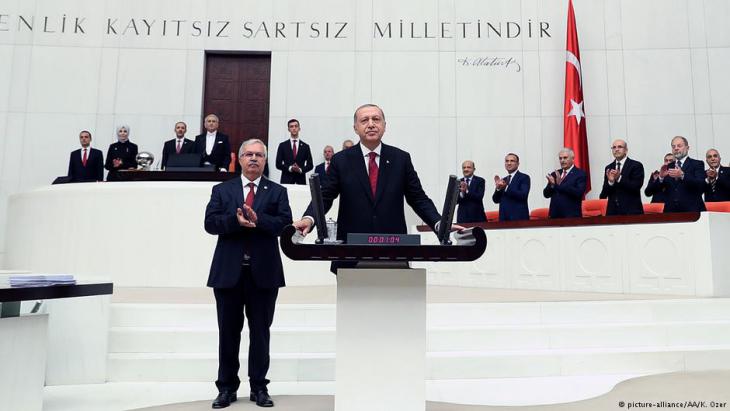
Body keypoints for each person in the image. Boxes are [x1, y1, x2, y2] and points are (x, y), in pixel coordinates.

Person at [292, 104, 460, 272]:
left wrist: (440, 223)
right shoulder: (341, 160)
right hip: (349, 255)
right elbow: (325, 196)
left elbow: (418, 198)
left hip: (394, 253)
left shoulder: (401, 159)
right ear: (356, 128)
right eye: (364, 120)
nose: (371, 124)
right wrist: (309, 218)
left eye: (376, 119)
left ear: (384, 126)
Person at [204, 139, 292, 409]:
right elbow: (210, 223)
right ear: (239, 159)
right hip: (229, 274)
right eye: (249, 154)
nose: (254, 159)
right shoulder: (222, 189)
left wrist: (258, 220)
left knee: (261, 333)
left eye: (259, 155)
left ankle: (259, 387)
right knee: (228, 333)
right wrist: (235, 221)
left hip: (263, 274)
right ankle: (226, 388)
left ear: (265, 160)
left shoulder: (277, 191)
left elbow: (283, 225)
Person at [598, 139, 645, 215]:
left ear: (626, 150)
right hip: (612, 213)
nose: (616, 149)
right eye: (614, 147)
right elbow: (603, 195)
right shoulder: (609, 168)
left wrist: (619, 178)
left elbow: (636, 186)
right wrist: (610, 182)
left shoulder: (636, 165)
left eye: (620, 147)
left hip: (632, 212)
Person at [661, 136, 706, 213]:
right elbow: (656, 191)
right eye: (673, 146)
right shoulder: (668, 166)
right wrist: (660, 178)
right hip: (671, 212)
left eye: (679, 146)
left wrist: (682, 175)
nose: (676, 148)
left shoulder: (697, 164)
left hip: (692, 212)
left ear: (687, 148)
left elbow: (701, 185)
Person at [543, 148, 587, 218]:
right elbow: (546, 194)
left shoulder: (580, 174)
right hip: (554, 216)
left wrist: (560, 184)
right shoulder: (555, 174)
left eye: (565, 158)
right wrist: (552, 185)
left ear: (572, 159)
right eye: (560, 158)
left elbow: (578, 193)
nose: (562, 160)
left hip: (571, 217)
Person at [491, 153, 530, 221]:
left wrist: (506, 187)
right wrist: (498, 189)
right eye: (507, 161)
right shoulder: (504, 180)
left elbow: (523, 195)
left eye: (512, 161)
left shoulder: (524, 177)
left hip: (519, 218)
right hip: (504, 218)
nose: (509, 163)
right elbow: (495, 200)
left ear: (518, 164)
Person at [275, 119, 313, 184]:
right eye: (291, 126)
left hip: (300, 180)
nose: (294, 128)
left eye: (296, 126)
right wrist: (290, 168)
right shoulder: (282, 145)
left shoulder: (305, 146)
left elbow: (310, 165)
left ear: (299, 128)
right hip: (286, 180)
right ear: (288, 129)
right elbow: (278, 164)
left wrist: (300, 170)